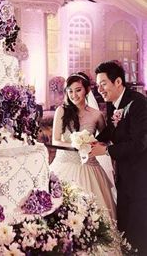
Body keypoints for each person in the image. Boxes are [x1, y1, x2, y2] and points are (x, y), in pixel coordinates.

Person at [91, 60, 147, 255]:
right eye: (98, 85)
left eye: (103, 83)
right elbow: (111, 130)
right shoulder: (112, 103)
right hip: (124, 176)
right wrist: (90, 141)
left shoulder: (138, 102)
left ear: (117, 82)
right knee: (125, 225)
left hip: (139, 178)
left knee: (137, 228)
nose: (99, 89)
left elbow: (139, 144)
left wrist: (106, 151)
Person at [49, 72, 116, 220]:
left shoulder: (96, 115)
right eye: (70, 91)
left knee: (94, 215)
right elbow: (55, 141)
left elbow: (105, 140)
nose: (74, 95)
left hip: (89, 168)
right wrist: (75, 144)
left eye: (78, 90)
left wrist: (91, 145)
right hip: (64, 164)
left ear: (87, 90)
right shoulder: (61, 111)